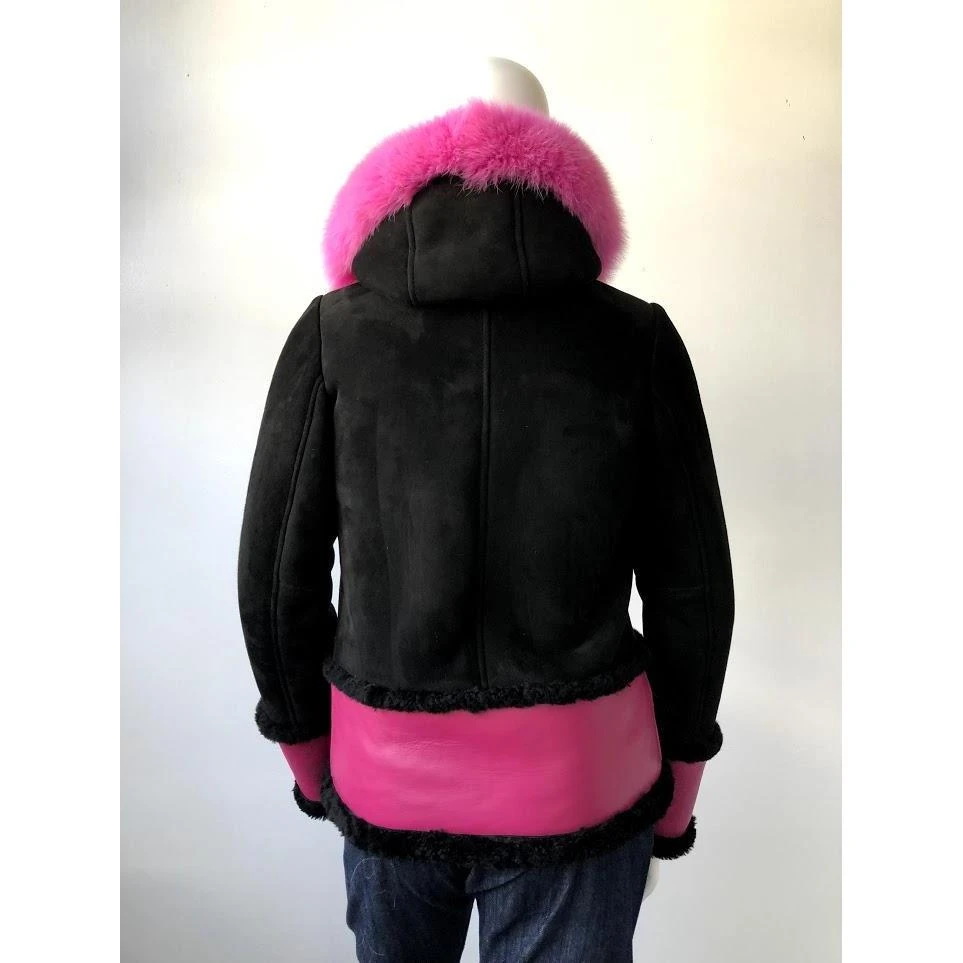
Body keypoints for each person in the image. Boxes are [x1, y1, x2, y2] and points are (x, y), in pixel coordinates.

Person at [237, 59, 735, 963]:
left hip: (387, 781)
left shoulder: (335, 334)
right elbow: (692, 587)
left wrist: (308, 756)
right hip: (583, 786)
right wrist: (678, 788)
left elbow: (276, 581)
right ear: (554, 152)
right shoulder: (634, 339)